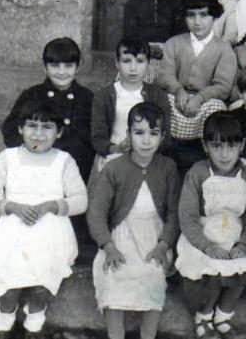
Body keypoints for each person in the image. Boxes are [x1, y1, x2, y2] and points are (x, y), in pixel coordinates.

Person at [0, 100, 87, 339]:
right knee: (9, 282)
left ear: (58, 132)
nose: (38, 134)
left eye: (47, 127)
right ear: (20, 129)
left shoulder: (64, 161)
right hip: (13, 230)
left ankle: (34, 325)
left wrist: (52, 205)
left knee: (43, 283)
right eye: (31, 126)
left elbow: (81, 200)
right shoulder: (7, 158)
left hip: (51, 232)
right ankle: (4, 323)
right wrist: (11, 206)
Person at [87, 102, 180, 339]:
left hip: (155, 235)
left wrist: (164, 245)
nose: (146, 140)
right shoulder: (113, 168)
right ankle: (115, 334)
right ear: (128, 134)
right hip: (120, 234)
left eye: (153, 133)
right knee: (113, 273)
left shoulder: (168, 168)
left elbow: (173, 213)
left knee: (153, 273)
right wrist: (108, 245)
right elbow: (96, 212)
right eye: (139, 133)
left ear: (162, 136)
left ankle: (148, 335)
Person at [177, 112, 246, 339]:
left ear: (242, 146)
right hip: (203, 236)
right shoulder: (198, 173)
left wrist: (243, 245)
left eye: (231, 146)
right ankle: (203, 316)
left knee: (242, 270)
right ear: (205, 146)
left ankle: (223, 316)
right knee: (212, 273)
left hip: (236, 237)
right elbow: (187, 215)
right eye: (217, 146)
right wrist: (206, 246)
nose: (225, 154)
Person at [156, 0, 235, 171]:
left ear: (214, 16)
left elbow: (223, 86)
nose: (197, 22)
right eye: (191, 15)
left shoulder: (224, 49)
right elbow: (165, 75)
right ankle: (164, 153)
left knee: (217, 107)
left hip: (204, 103)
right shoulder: (174, 43)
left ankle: (206, 156)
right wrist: (178, 90)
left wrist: (200, 97)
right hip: (178, 99)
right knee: (161, 101)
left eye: (204, 15)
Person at [2, 37, 95, 182]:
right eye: (55, 66)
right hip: (34, 167)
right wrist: (35, 150)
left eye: (69, 66)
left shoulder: (87, 98)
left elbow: (91, 136)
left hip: (73, 169)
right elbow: (11, 129)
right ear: (44, 67)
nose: (62, 72)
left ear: (78, 66)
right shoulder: (32, 95)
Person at [90, 37, 171, 174]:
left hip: (148, 155)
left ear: (148, 63)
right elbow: (98, 137)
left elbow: (165, 136)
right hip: (114, 154)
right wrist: (116, 149)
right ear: (117, 63)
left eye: (140, 61)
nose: (133, 68)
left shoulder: (158, 96)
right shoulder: (103, 96)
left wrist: (143, 149)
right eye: (126, 61)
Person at [122, 0, 180, 83]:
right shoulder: (133, 5)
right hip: (139, 58)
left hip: (170, 61)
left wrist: (166, 51)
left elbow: (180, 38)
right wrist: (149, 50)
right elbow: (130, 37)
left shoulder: (177, 6)